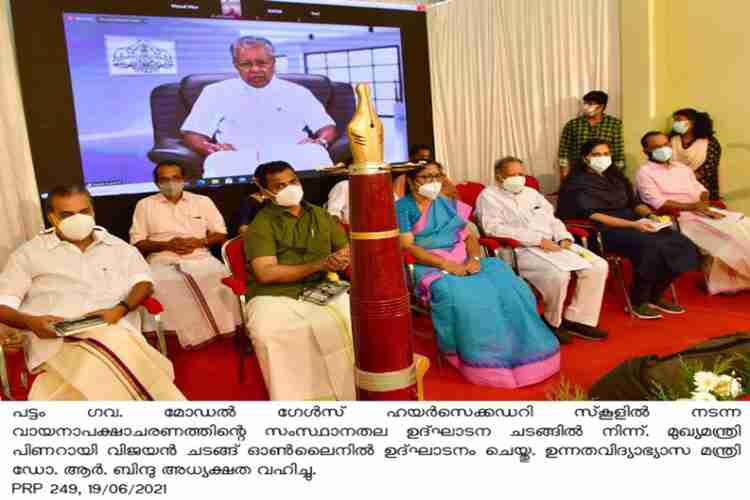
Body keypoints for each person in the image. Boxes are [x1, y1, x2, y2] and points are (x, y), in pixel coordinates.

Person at [0, 185, 184, 400]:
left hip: (117, 328)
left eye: (84, 212)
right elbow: (4, 305)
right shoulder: (28, 254)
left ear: (93, 212)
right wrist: (31, 322)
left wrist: (120, 309)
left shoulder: (118, 247)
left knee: (86, 379)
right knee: (120, 356)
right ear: (52, 218)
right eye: (67, 214)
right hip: (57, 341)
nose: (78, 218)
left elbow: (143, 283)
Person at [397, 160, 560, 388]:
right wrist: (449, 265)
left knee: (511, 286)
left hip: (464, 259)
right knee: (467, 299)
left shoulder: (446, 204)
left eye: (437, 176)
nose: (434, 182)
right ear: (413, 182)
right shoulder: (403, 207)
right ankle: (485, 360)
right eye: (426, 177)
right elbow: (409, 247)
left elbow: (469, 237)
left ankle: (521, 350)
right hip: (431, 264)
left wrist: (473, 259)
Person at [243, 161, 354, 400]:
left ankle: (347, 393)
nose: (289, 188)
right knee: (268, 333)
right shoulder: (260, 225)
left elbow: (346, 251)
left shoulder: (321, 215)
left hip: (321, 286)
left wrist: (342, 260)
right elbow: (266, 273)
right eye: (279, 185)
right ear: (264, 192)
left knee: (351, 321)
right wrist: (321, 264)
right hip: (271, 294)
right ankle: (294, 401)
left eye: (292, 181)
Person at [557, 139, 701, 319]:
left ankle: (655, 294)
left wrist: (650, 216)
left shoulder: (616, 178)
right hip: (602, 229)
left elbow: (635, 204)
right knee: (651, 245)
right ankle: (638, 300)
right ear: (585, 158)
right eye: (597, 155)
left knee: (679, 242)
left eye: (606, 154)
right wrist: (634, 225)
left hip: (634, 222)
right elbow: (592, 215)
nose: (603, 158)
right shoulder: (576, 183)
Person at [476, 156, 609, 342]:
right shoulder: (488, 196)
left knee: (598, 266)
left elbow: (552, 219)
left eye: (521, 174)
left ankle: (579, 320)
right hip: (519, 249)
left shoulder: (532, 193)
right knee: (558, 275)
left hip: (554, 244)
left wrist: (563, 237)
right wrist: (537, 240)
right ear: (499, 177)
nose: (518, 178)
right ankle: (551, 321)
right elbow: (494, 228)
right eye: (512, 175)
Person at [181, 36, 338, 177]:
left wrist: (321, 141)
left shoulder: (298, 92)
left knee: (316, 154)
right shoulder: (215, 92)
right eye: (246, 64)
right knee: (218, 161)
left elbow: (327, 127)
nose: (255, 69)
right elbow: (193, 133)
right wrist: (211, 149)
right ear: (236, 65)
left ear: (273, 62)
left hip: (293, 153)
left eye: (262, 63)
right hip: (238, 156)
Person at [130, 163, 241, 349]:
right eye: (164, 179)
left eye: (175, 178)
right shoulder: (145, 205)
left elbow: (220, 233)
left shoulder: (203, 201)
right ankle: (175, 340)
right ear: (156, 183)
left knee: (218, 279)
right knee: (161, 284)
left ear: (184, 180)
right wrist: (166, 245)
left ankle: (223, 332)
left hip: (200, 255)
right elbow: (137, 242)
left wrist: (199, 242)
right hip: (162, 257)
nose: (171, 183)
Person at [636, 131, 750, 295]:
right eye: (657, 147)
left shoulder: (682, 168)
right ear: (646, 151)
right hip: (680, 217)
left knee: (744, 225)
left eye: (666, 145)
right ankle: (728, 282)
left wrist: (704, 206)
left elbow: (702, 191)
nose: (664, 149)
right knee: (731, 233)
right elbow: (659, 204)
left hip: (702, 211)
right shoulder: (645, 172)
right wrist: (694, 208)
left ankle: (740, 277)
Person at [558, 90, 625, 180]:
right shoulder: (573, 124)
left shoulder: (614, 124)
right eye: (585, 103)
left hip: (605, 173)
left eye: (590, 104)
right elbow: (564, 152)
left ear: (601, 106)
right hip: (579, 173)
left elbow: (619, 153)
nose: (586, 107)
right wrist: (564, 175)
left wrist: (617, 177)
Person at [670, 108, 722, 200]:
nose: (675, 123)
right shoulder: (672, 140)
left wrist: (687, 179)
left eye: (679, 120)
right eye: (674, 120)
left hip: (702, 185)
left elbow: (709, 167)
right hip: (674, 184)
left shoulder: (710, 142)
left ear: (693, 122)